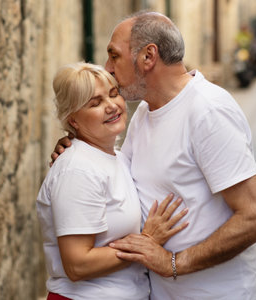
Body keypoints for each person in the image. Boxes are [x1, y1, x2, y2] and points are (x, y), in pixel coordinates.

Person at [52, 11, 256, 299]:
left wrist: (174, 263)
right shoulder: (146, 112)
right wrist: (77, 146)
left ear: (148, 57)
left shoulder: (208, 110)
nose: (108, 67)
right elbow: (119, 173)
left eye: (114, 56)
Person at [37, 62, 188, 300]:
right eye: (95, 103)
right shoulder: (77, 169)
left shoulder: (117, 157)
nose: (111, 106)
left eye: (113, 94)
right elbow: (77, 265)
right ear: (73, 120)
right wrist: (147, 242)